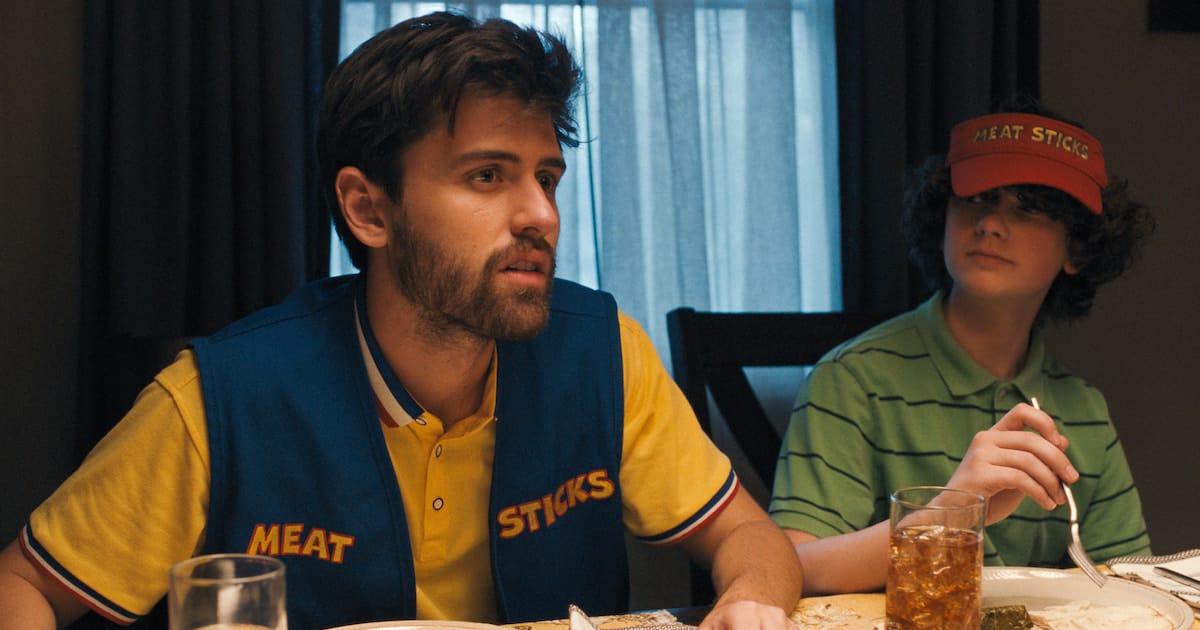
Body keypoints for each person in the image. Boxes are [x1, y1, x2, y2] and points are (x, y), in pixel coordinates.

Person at [0, 12, 802, 629]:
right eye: (487, 176)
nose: (541, 215)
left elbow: (749, 536)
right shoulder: (222, 398)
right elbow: (23, 585)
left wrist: (752, 600)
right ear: (368, 209)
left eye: (547, 178)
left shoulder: (602, 351)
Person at [769, 96, 1155, 595]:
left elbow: (1132, 587)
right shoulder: (852, 380)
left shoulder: (1085, 412)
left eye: (1028, 209)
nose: (990, 223)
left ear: (1076, 249)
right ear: (941, 218)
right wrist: (951, 509)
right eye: (975, 198)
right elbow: (792, 568)